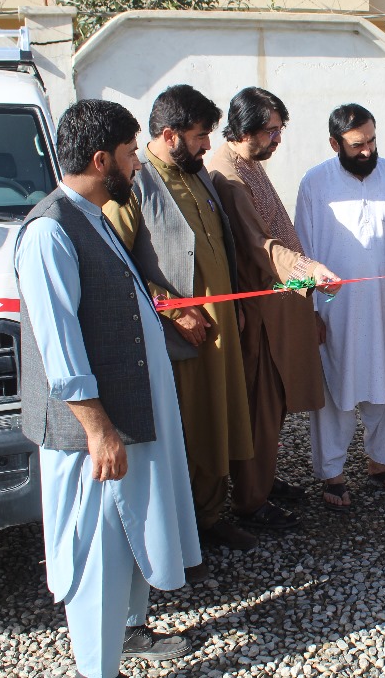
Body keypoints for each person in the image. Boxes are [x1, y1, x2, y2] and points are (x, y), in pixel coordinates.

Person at [16, 99, 199, 678]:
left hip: (127, 420)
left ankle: (131, 633)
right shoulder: (49, 231)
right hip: (93, 438)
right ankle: (98, 668)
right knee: (94, 555)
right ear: (101, 160)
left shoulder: (93, 214)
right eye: (128, 156)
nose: (136, 165)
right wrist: (98, 431)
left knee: (129, 540)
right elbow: (60, 345)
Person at [104, 84, 256, 553]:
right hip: (178, 341)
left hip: (220, 333)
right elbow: (113, 262)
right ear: (169, 135)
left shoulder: (197, 175)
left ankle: (209, 518)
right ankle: (177, 538)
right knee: (187, 433)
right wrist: (170, 309)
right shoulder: (134, 183)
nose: (208, 144)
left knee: (219, 424)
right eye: (199, 135)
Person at [206, 86, 336, 530]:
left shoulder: (248, 163)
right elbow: (258, 247)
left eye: (280, 130)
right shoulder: (226, 173)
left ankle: (261, 481)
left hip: (281, 308)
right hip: (260, 313)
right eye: (272, 131)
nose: (278, 140)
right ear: (244, 129)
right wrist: (306, 267)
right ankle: (250, 501)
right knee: (261, 405)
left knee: (274, 405)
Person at [294, 104, 385, 512]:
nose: (367, 150)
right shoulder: (315, 183)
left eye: (372, 140)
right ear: (335, 144)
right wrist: (309, 312)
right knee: (335, 389)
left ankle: (381, 463)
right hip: (336, 309)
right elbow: (304, 251)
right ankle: (333, 472)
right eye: (357, 144)